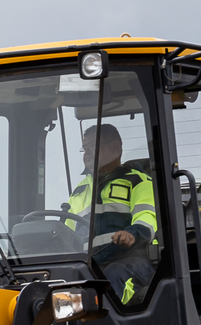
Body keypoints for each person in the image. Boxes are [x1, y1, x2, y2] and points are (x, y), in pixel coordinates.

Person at [66, 124, 160, 309]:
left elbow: (147, 216)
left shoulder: (138, 181)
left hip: (133, 261)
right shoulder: (79, 191)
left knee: (111, 278)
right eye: (85, 148)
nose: (87, 153)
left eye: (93, 146)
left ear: (115, 147)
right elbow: (66, 232)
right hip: (89, 266)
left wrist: (132, 234)